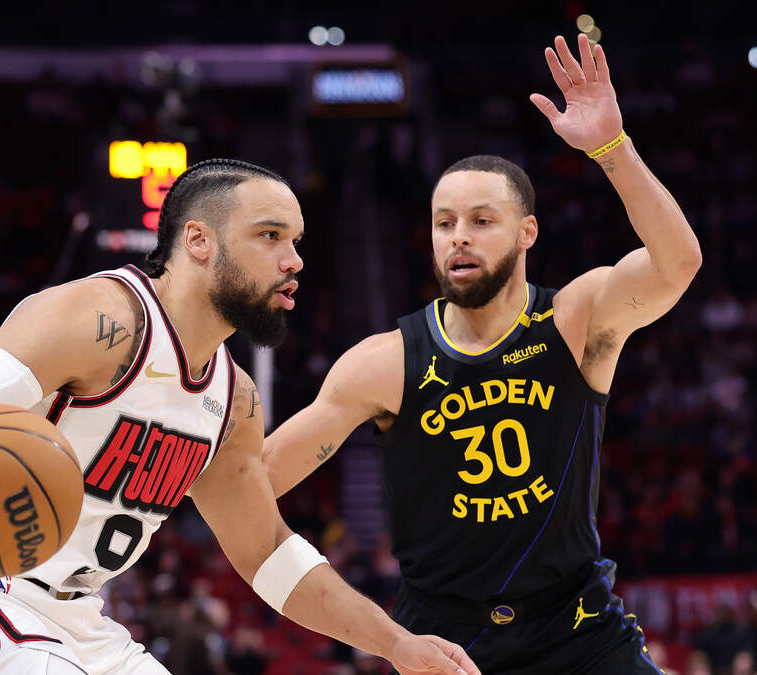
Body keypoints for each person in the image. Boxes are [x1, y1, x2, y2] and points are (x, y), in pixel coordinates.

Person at [0, 159, 479, 675]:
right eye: (270, 236)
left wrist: (397, 644)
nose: (294, 260)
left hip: (76, 621)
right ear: (198, 241)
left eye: (297, 242)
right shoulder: (101, 319)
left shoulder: (233, 402)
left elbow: (268, 552)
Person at [263, 34, 701, 673]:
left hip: (578, 631)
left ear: (527, 232)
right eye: (445, 223)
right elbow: (257, 480)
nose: (459, 238)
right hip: (444, 644)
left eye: (481, 221)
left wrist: (613, 149)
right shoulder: (384, 363)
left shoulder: (574, 320)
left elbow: (677, 263)